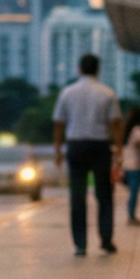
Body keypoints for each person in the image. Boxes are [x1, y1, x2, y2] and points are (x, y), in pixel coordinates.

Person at [53, 53, 122, 257]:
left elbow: (59, 123)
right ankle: (106, 239)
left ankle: (80, 244)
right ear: (98, 69)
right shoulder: (107, 93)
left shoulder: (67, 92)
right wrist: (118, 150)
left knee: (77, 197)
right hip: (100, 146)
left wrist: (58, 150)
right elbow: (116, 123)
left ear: (79, 69)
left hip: (75, 146)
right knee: (104, 196)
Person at [119, 107, 140, 225]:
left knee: (132, 192)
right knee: (134, 192)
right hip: (136, 165)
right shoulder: (138, 130)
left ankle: (131, 214)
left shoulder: (127, 130)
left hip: (127, 165)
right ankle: (131, 216)